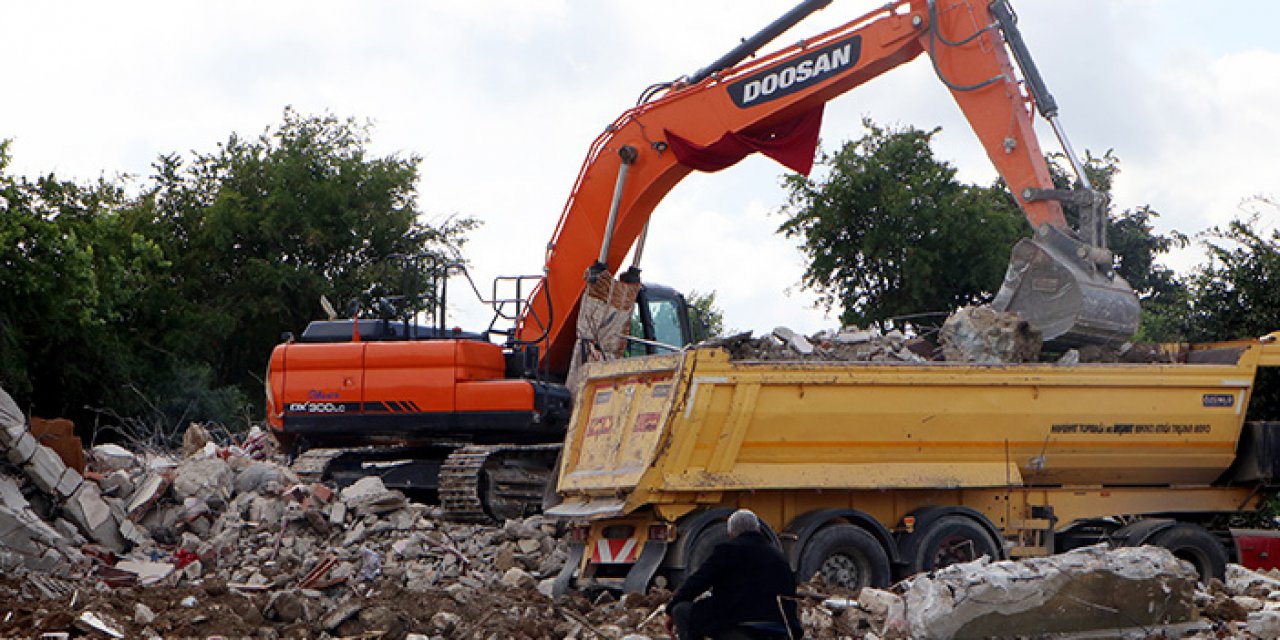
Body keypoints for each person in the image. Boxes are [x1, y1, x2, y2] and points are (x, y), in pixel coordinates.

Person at [664, 509, 802, 639]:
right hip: (780, 629)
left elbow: (696, 583)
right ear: (758, 529)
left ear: (731, 534)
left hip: (742, 628)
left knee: (682, 610)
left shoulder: (728, 551)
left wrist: (670, 609)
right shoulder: (778, 555)